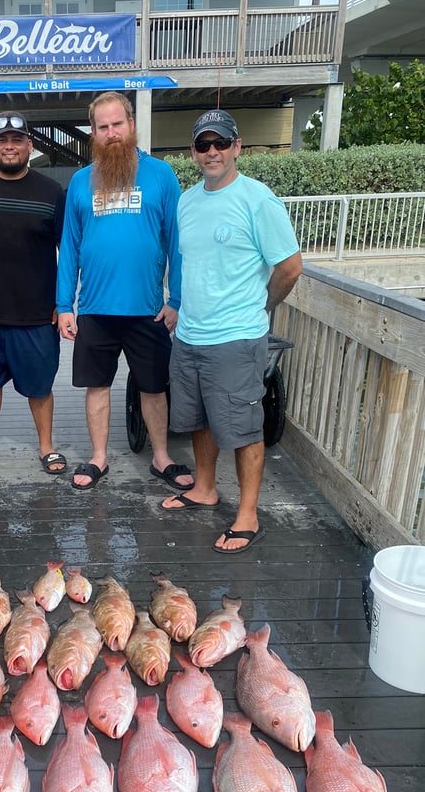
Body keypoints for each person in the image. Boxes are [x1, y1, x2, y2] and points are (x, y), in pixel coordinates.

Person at [162, 109, 302, 554]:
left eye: (221, 143)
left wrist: (263, 306)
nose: (212, 152)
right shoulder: (187, 200)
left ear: (237, 147)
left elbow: (290, 267)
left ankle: (248, 515)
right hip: (190, 336)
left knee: (244, 428)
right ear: (193, 152)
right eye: (203, 145)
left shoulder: (258, 199)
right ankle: (205, 487)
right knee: (197, 419)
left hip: (237, 339)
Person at [56, 91, 193, 492]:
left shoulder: (161, 175)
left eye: (118, 124)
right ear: (93, 134)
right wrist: (65, 305)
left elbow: (177, 243)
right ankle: (99, 457)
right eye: (103, 127)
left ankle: (161, 456)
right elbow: (69, 247)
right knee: (96, 386)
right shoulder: (81, 182)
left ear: (131, 125)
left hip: (148, 309)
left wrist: (176, 300)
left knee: (154, 387)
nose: (112, 133)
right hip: (96, 308)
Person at [0, 112, 67, 478]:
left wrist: (62, 302)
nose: (9, 146)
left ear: (29, 146)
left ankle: (47, 447)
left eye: (17, 140)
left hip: (37, 314)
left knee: (40, 389)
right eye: (2, 140)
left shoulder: (51, 192)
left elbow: (67, 252)